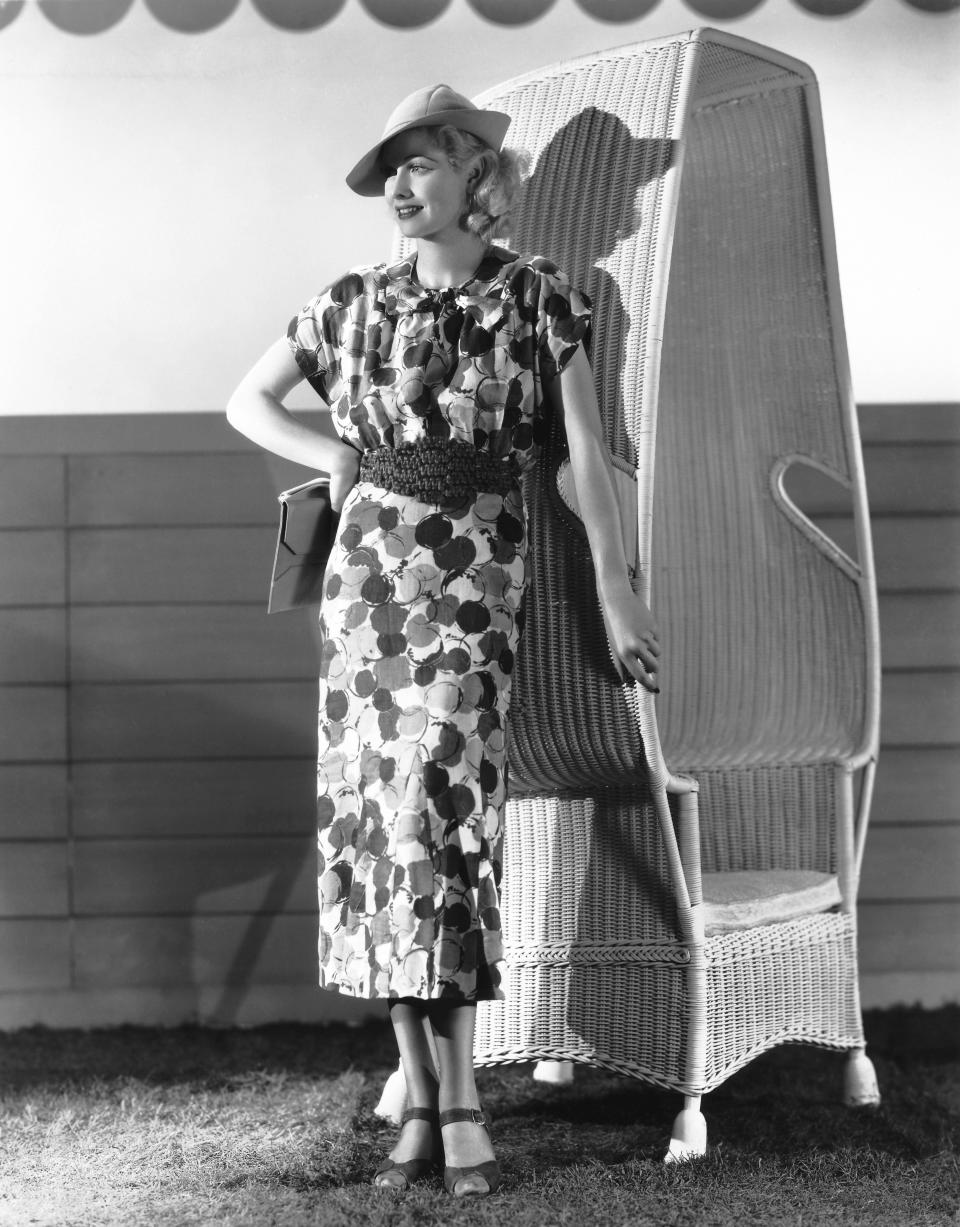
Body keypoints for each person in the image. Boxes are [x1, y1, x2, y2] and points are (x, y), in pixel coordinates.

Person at [226, 83, 661, 1198]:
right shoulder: (349, 303)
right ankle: (425, 1102)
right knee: (377, 831)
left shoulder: (540, 299)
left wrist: (617, 591)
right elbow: (246, 403)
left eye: (424, 164)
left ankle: (457, 1099)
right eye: (394, 169)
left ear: (479, 178)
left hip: (474, 581)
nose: (403, 186)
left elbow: (583, 457)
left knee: (441, 820)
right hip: (367, 586)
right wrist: (331, 456)